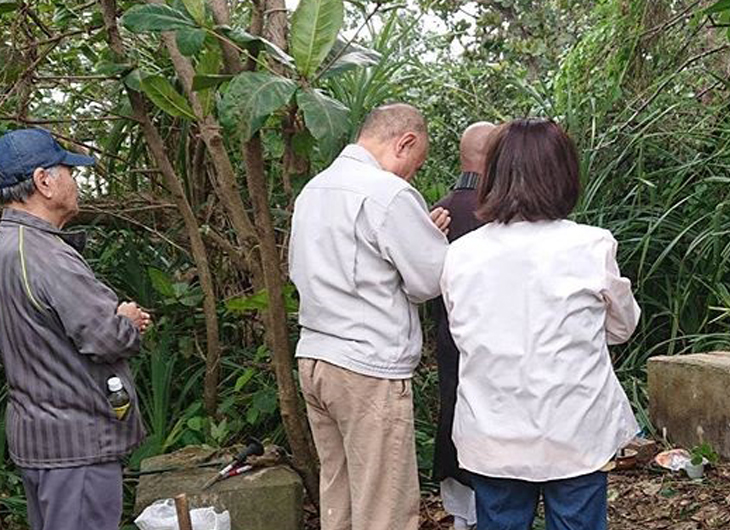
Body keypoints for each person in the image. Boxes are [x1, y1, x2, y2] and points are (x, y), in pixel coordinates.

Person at [441, 119, 640, 530]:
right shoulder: (591, 245)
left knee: (499, 521)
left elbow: (464, 332)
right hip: (574, 429)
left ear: (492, 175)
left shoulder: (461, 253)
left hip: (492, 429)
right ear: (563, 174)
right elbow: (622, 327)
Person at [289, 103, 450, 530]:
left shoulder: (315, 189)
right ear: (406, 142)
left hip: (316, 357)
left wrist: (418, 237)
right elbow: (429, 280)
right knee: (384, 507)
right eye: (413, 166)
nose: (409, 176)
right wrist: (430, 240)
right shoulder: (387, 193)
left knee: (338, 493)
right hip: (367, 366)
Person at [0, 128, 151, 530]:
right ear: (43, 181)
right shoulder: (46, 254)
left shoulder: (7, 244)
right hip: (76, 447)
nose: (76, 181)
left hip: (38, 439)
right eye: (69, 170)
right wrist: (129, 320)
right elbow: (105, 337)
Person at [432, 121, 495, 530]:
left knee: (453, 409)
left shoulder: (437, 211)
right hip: (493, 343)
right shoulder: (499, 215)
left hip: (448, 338)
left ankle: (461, 515)